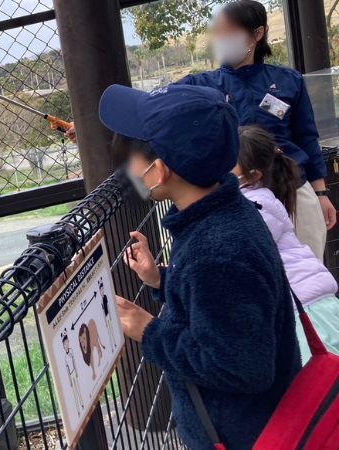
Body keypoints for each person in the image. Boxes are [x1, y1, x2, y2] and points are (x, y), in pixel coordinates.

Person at [102, 83, 300, 449]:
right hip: (260, 416)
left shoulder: (215, 251)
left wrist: (149, 331)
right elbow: (222, 305)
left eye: (131, 157)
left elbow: (241, 367)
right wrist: (162, 280)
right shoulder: (224, 213)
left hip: (243, 432)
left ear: (159, 171)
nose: (128, 167)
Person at [176, 0, 336, 260]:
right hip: (236, 195)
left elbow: (307, 138)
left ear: (257, 34)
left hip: (293, 188)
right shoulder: (203, 85)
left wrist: (321, 193)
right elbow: (161, 108)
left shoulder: (288, 80)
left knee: (306, 268)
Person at [235, 125, 339, 359]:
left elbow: (239, 251)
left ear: (253, 174)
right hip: (311, 305)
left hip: (306, 311)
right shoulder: (259, 198)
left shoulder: (256, 206)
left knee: (319, 383)